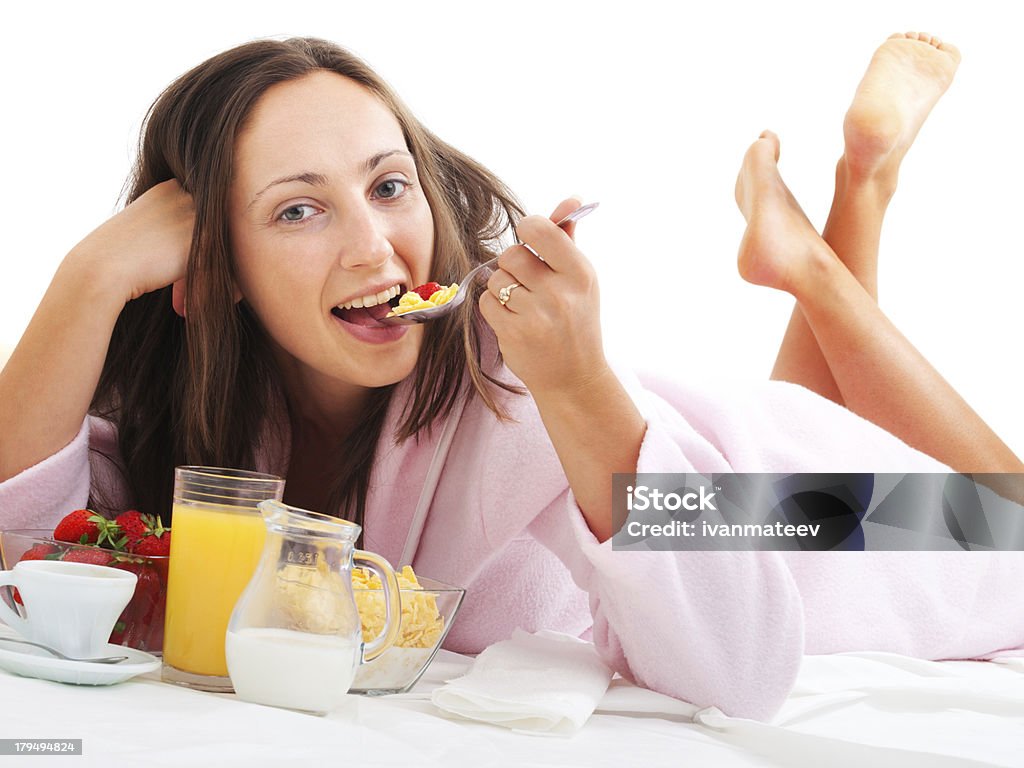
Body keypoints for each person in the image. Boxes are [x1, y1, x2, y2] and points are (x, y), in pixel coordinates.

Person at [0, 33, 1020, 721]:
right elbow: (21, 542)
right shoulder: (200, 417)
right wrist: (85, 280)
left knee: (1009, 521)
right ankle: (857, 193)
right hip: (723, 479)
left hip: (789, 523)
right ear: (200, 270)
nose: (376, 250)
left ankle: (815, 267)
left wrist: (575, 386)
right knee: (796, 413)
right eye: (297, 210)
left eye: (388, 186)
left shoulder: (509, 385)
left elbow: (743, 667)